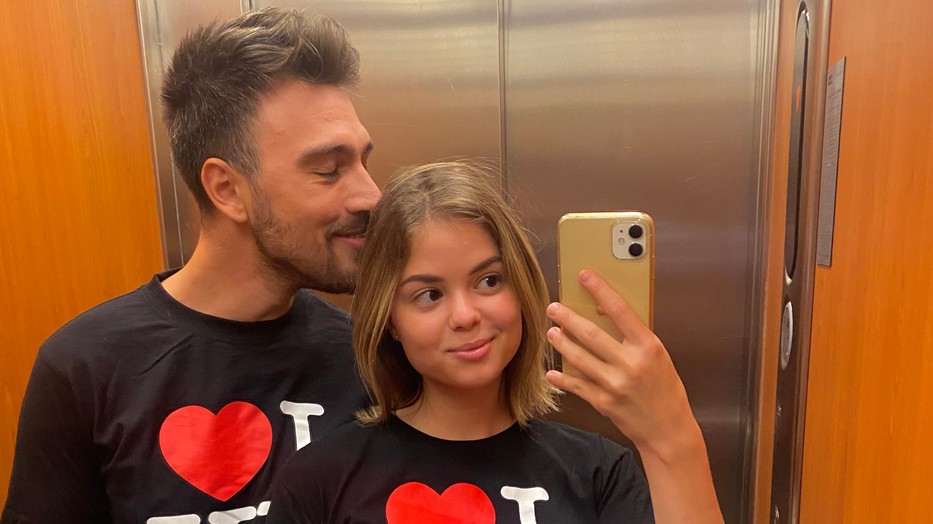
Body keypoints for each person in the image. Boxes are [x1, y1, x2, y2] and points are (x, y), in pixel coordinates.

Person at [2, 8, 379, 523]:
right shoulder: (87, 367)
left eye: (363, 162)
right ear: (227, 190)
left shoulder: (367, 357)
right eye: (329, 170)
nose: (370, 195)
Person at [267, 161, 723, 523]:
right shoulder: (321, 479)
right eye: (429, 295)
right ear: (390, 322)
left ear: (520, 289)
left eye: (488, 281)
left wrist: (671, 437)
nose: (466, 315)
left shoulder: (599, 473)